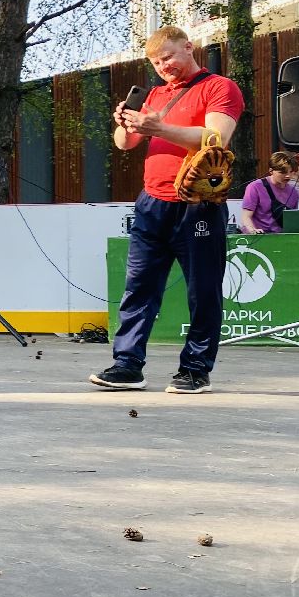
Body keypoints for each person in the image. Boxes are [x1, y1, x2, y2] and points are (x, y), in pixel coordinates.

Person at [91, 26, 244, 395]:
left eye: (169, 58)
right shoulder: (156, 94)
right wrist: (127, 121)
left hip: (198, 204)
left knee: (203, 290)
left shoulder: (220, 87)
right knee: (139, 288)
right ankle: (128, 365)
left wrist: (159, 126)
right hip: (152, 203)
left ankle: (195, 369)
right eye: (157, 63)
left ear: (189, 47)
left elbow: (216, 138)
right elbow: (124, 144)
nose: (164, 67)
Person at [240, 152, 299, 234]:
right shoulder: (255, 187)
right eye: (283, 172)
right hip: (258, 237)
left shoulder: (294, 193)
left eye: (291, 172)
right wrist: (252, 230)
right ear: (271, 171)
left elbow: (292, 221)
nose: (288, 176)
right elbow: (246, 216)